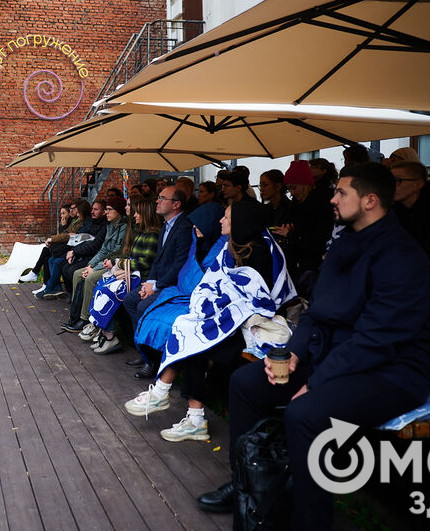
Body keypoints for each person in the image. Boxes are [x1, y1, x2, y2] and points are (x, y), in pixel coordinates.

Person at [197, 163, 430, 529]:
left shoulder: (400, 256)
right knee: (245, 383)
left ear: (370, 200)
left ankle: (310, 521)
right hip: (337, 357)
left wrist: (316, 382)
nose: (333, 198)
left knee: (303, 414)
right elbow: (316, 311)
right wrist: (293, 353)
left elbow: (378, 340)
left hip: (392, 371)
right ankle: (249, 484)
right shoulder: (346, 241)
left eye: (342, 192)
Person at [125, 201, 295, 443]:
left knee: (193, 337)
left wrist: (214, 305)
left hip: (251, 326)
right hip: (232, 323)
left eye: (226, 217)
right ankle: (186, 413)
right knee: (191, 331)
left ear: (240, 222)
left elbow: (255, 298)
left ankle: (173, 401)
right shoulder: (232, 248)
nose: (220, 221)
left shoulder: (258, 251)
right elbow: (214, 285)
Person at [121, 186, 194, 378]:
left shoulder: (184, 227)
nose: (157, 201)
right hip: (158, 281)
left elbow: (179, 264)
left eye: (162, 198)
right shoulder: (166, 226)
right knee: (130, 300)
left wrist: (156, 286)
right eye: (158, 197)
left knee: (143, 306)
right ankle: (144, 349)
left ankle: (153, 360)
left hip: (174, 286)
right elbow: (158, 260)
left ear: (176, 204)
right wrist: (150, 283)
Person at [86, 197, 161, 353]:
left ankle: (111, 337)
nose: (134, 215)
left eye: (137, 213)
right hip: (133, 276)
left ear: (145, 214)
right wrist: (118, 262)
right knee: (101, 286)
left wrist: (119, 263)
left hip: (141, 278)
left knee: (108, 292)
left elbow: (144, 263)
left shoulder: (152, 235)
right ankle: (105, 333)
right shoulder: (142, 232)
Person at [62, 196, 128, 332]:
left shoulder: (124, 227)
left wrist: (94, 268)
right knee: (77, 274)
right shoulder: (110, 225)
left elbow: (117, 251)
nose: (106, 212)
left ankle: (85, 318)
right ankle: (75, 315)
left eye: (109, 210)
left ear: (118, 211)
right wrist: (91, 265)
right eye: (106, 209)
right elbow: (103, 249)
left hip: (114, 264)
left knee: (90, 278)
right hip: (104, 261)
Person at [273, 159, 334, 297]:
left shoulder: (321, 205)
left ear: (306, 185)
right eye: (289, 189)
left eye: (294, 188)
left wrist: (290, 235)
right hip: (301, 265)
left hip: (314, 267)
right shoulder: (297, 204)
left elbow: (314, 242)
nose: (292, 193)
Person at [36, 200, 92, 299]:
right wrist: (63, 226)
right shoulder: (75, 221)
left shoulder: (81, 221)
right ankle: (54, 286)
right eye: (71, 209)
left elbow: (67, 236)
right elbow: (66, 234)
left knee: (57, 261)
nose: (72, 211)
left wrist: (56, 237)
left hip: (74, 249)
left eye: (74, 209)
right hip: (70, 248)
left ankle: (48, 286)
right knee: (50, 258)